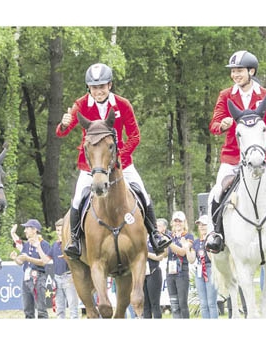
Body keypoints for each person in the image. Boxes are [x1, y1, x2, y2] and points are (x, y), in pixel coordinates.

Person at [56, 62, 171, 259]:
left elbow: (135, 136)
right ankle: (74, 239)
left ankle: (155, 235)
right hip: (91, 167)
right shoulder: (80, 105)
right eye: (94, 87)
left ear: (109, 85)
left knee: (141, 192)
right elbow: (61, 132)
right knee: (78, 198)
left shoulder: (123, 104)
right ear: (89, 88)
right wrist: (63, 124)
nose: (98, 91)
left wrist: (119, 159)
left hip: (121, 164)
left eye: (102, 86)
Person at [205, 50, 266, 253]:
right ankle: (216, 233)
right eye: (233, 71)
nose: (235, 75)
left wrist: (257, 147)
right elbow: (214, 125)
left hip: (263, 155)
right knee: (216, 192)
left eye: (239, 70)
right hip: (232, 156)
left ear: (251, 70)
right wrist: (222, 125)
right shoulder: (226, 95)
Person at [38, 218, 80, 319]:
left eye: (61, 229)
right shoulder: (55, 245)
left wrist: (74, 276)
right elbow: (45, 260)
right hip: (57, 279)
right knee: (59, 310)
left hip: (69, 277)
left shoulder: (71, 245)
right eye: (57, 230)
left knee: (73, 310)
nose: (59, 232)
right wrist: (38, 246)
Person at [10, 219, 51, 319]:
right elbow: (21, 262)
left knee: (41, 310)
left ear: (34, 230)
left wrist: (28, 258)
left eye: (27, 228)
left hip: (39, 278)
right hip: (26, 279)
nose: (25, 231)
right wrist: (15, 258)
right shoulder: (26, 244)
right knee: (28, 311)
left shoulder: (44, 244)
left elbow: (43, 262)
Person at [188, 215, 219, 318]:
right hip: (199, 270)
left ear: (209, 226)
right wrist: (187, 248)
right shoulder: (196, 242)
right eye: (200, 225)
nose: (201, 227)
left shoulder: (213, 240)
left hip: (210, 269)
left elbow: (212, 258)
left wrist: (208, 243)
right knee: (203, 304)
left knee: (211, 303)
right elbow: (191, 260)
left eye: (204, 225)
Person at [166, 211, 194, 318]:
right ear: (172, 223)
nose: (178, 223)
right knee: (174, 305)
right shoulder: (169, 235)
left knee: (182, 304)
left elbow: (183, 252)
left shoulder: (188, 236)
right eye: (175, 221)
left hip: (182, 272)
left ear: (184, 222)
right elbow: (164, 254)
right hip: (170, 272)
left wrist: (169, 243)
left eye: (180, 221)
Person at [143, 217, 169, 318]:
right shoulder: (142, 238)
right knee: (145, 305)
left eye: (158, 225)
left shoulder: (157, 239)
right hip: (142, 274)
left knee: (155, 304)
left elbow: (160, 257)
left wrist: (145, 254)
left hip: (153, 272)